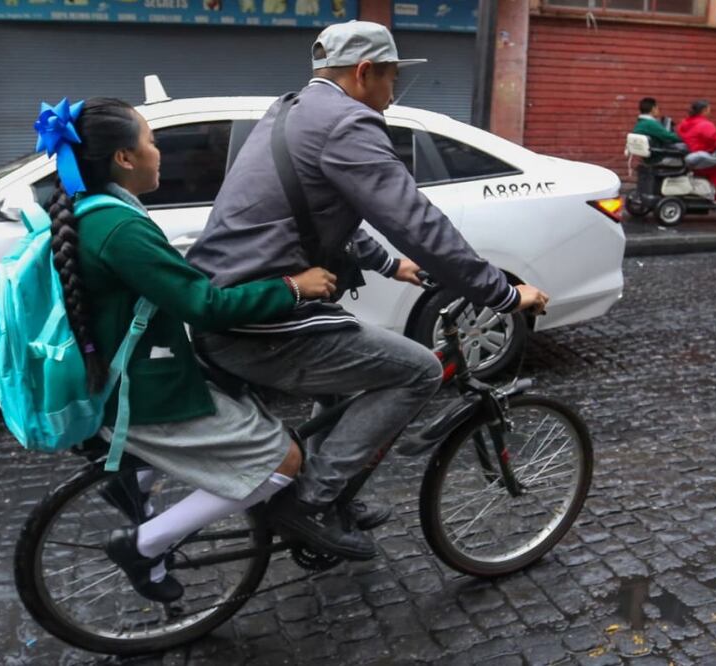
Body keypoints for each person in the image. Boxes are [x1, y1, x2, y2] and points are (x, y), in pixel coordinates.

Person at [186, 20, 549, 561]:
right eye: (391, 78)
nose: (392, 93)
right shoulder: (348, 123)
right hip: (259, 319)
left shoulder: (290, 109)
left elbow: (316, 209)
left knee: (340, 382)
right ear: (363, 73)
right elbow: (418, 222)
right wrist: (500, 293)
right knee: (420, 370)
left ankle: (325, 497)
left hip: (234, 303)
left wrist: (389, 264)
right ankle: (309, 501)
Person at [33, 96, 338, 602]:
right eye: (152, 142)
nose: (160, 153)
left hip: (139, 368)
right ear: (124, 159)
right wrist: (293, 287)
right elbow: (204, 304)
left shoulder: (93, 212)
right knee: (283, 460)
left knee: (245, 398)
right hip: (142, 391)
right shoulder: (118, 227)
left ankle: (138, 480)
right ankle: (144, 545)